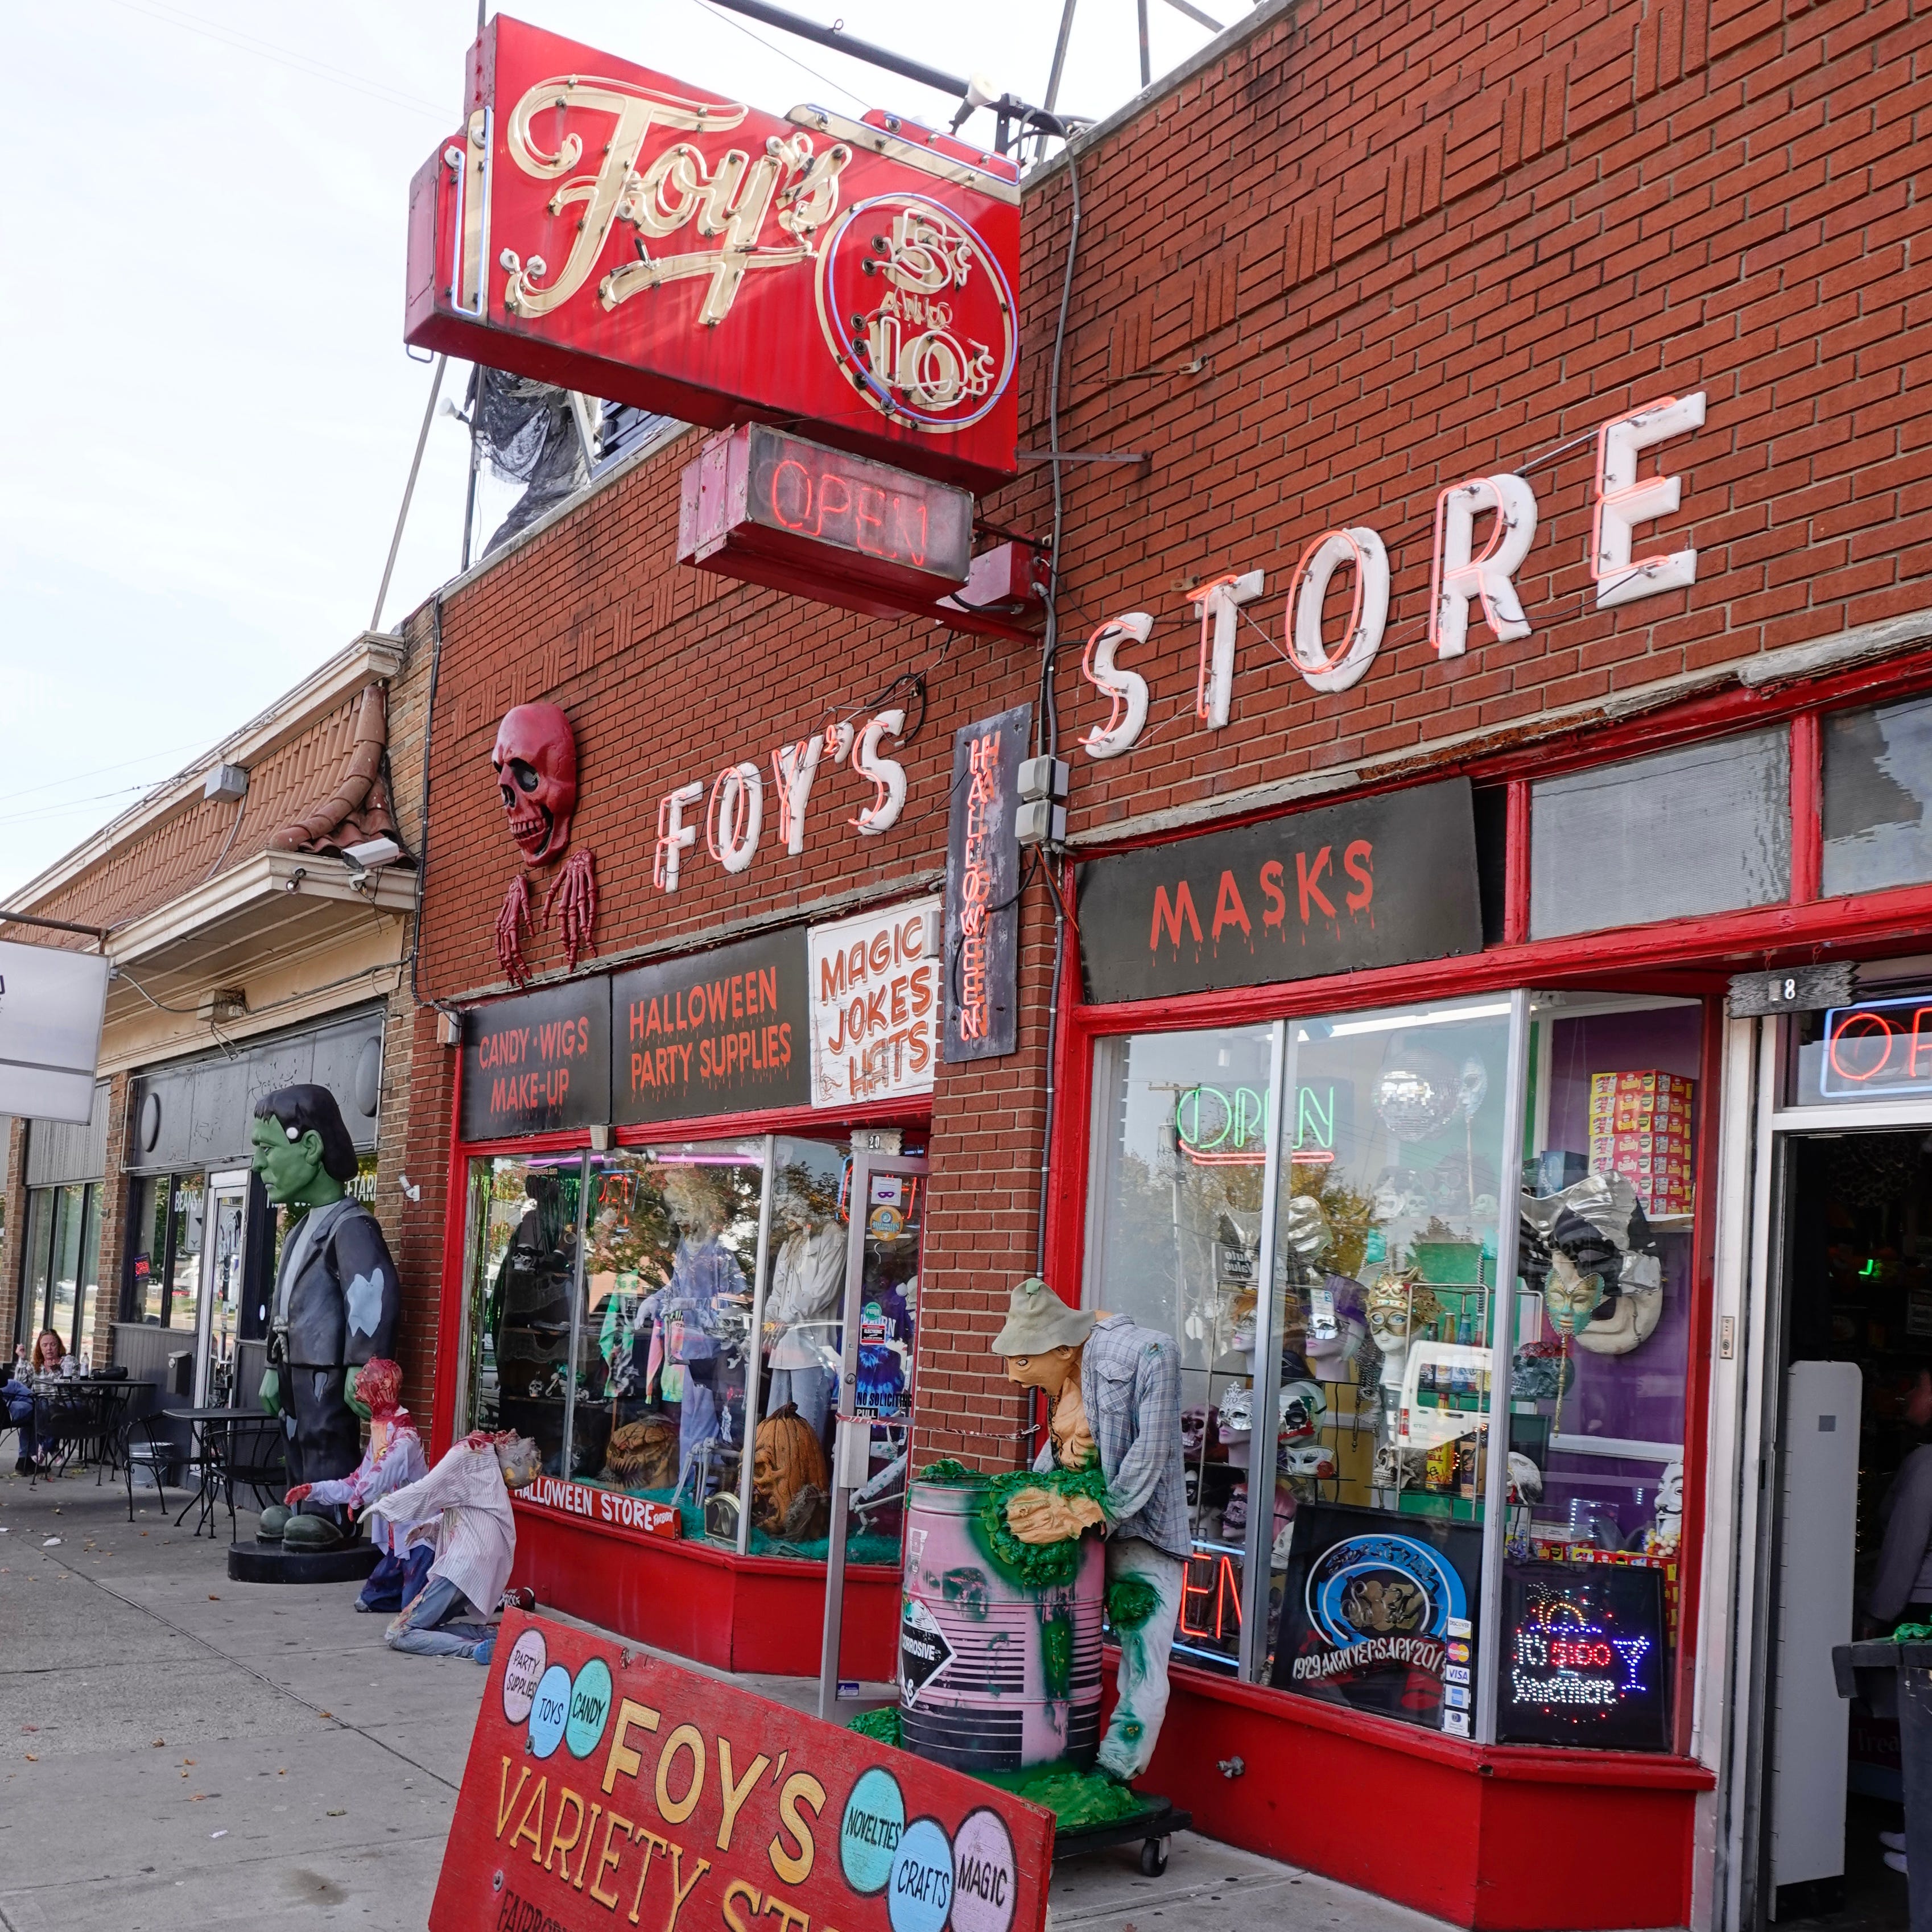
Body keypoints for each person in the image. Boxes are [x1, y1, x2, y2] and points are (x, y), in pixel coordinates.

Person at [990, 1277, 1187, 1784]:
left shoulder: (1139, 1353)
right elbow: (1061, 1456)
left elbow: (1152, 1448)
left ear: (1058, 1347)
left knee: (1143, 1658)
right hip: (1082, 1544)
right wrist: (1026, 1495)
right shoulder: (1068, 1375)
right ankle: (1050, 1754)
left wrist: (1107, 1510)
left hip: (1141, 1536)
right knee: (1054, 1641)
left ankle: (1118, 1770)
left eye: (1022, 1361)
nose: (1013, 1376)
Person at [365, 1431, 540, 1661]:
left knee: (400, 1633)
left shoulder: (472, 1453)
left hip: (462, 1567)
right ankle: (490, 1637)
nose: (512, 1433)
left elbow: (426, 1488)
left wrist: (383, 1506)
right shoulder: (489, 1476)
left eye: (517, 1441)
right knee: (430, 1624)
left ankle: (472, 1649)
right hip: (477, 1567)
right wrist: (428, 1528)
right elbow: (463, 1514)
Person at [277, 1359, 428, 1612]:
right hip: (399, 1535)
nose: (359, 1382)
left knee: (415, 1609)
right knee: (372, 1599)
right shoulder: (383, 1427)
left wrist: (359, 1497)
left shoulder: (405, 1436)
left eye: (367, 1377)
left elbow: (382, 1471)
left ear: (382, 1386)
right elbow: (359, 1479)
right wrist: (315, 1490)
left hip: (419, 1533)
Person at [5, 1332, 71, 1473]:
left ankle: (26, 1460)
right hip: (36, 1400)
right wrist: (22, 1360)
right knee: (16, 1387)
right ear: (39, 1348)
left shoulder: (66, 1363)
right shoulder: (34, 1366)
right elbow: (21, 1384)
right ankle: (47, 1449)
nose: (49, 1349)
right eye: (45, 1345)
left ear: (59, 1346)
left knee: (30, 1406)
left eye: (53, 1344)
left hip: (54, 1405)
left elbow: (69, 1389)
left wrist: (57, 1371)